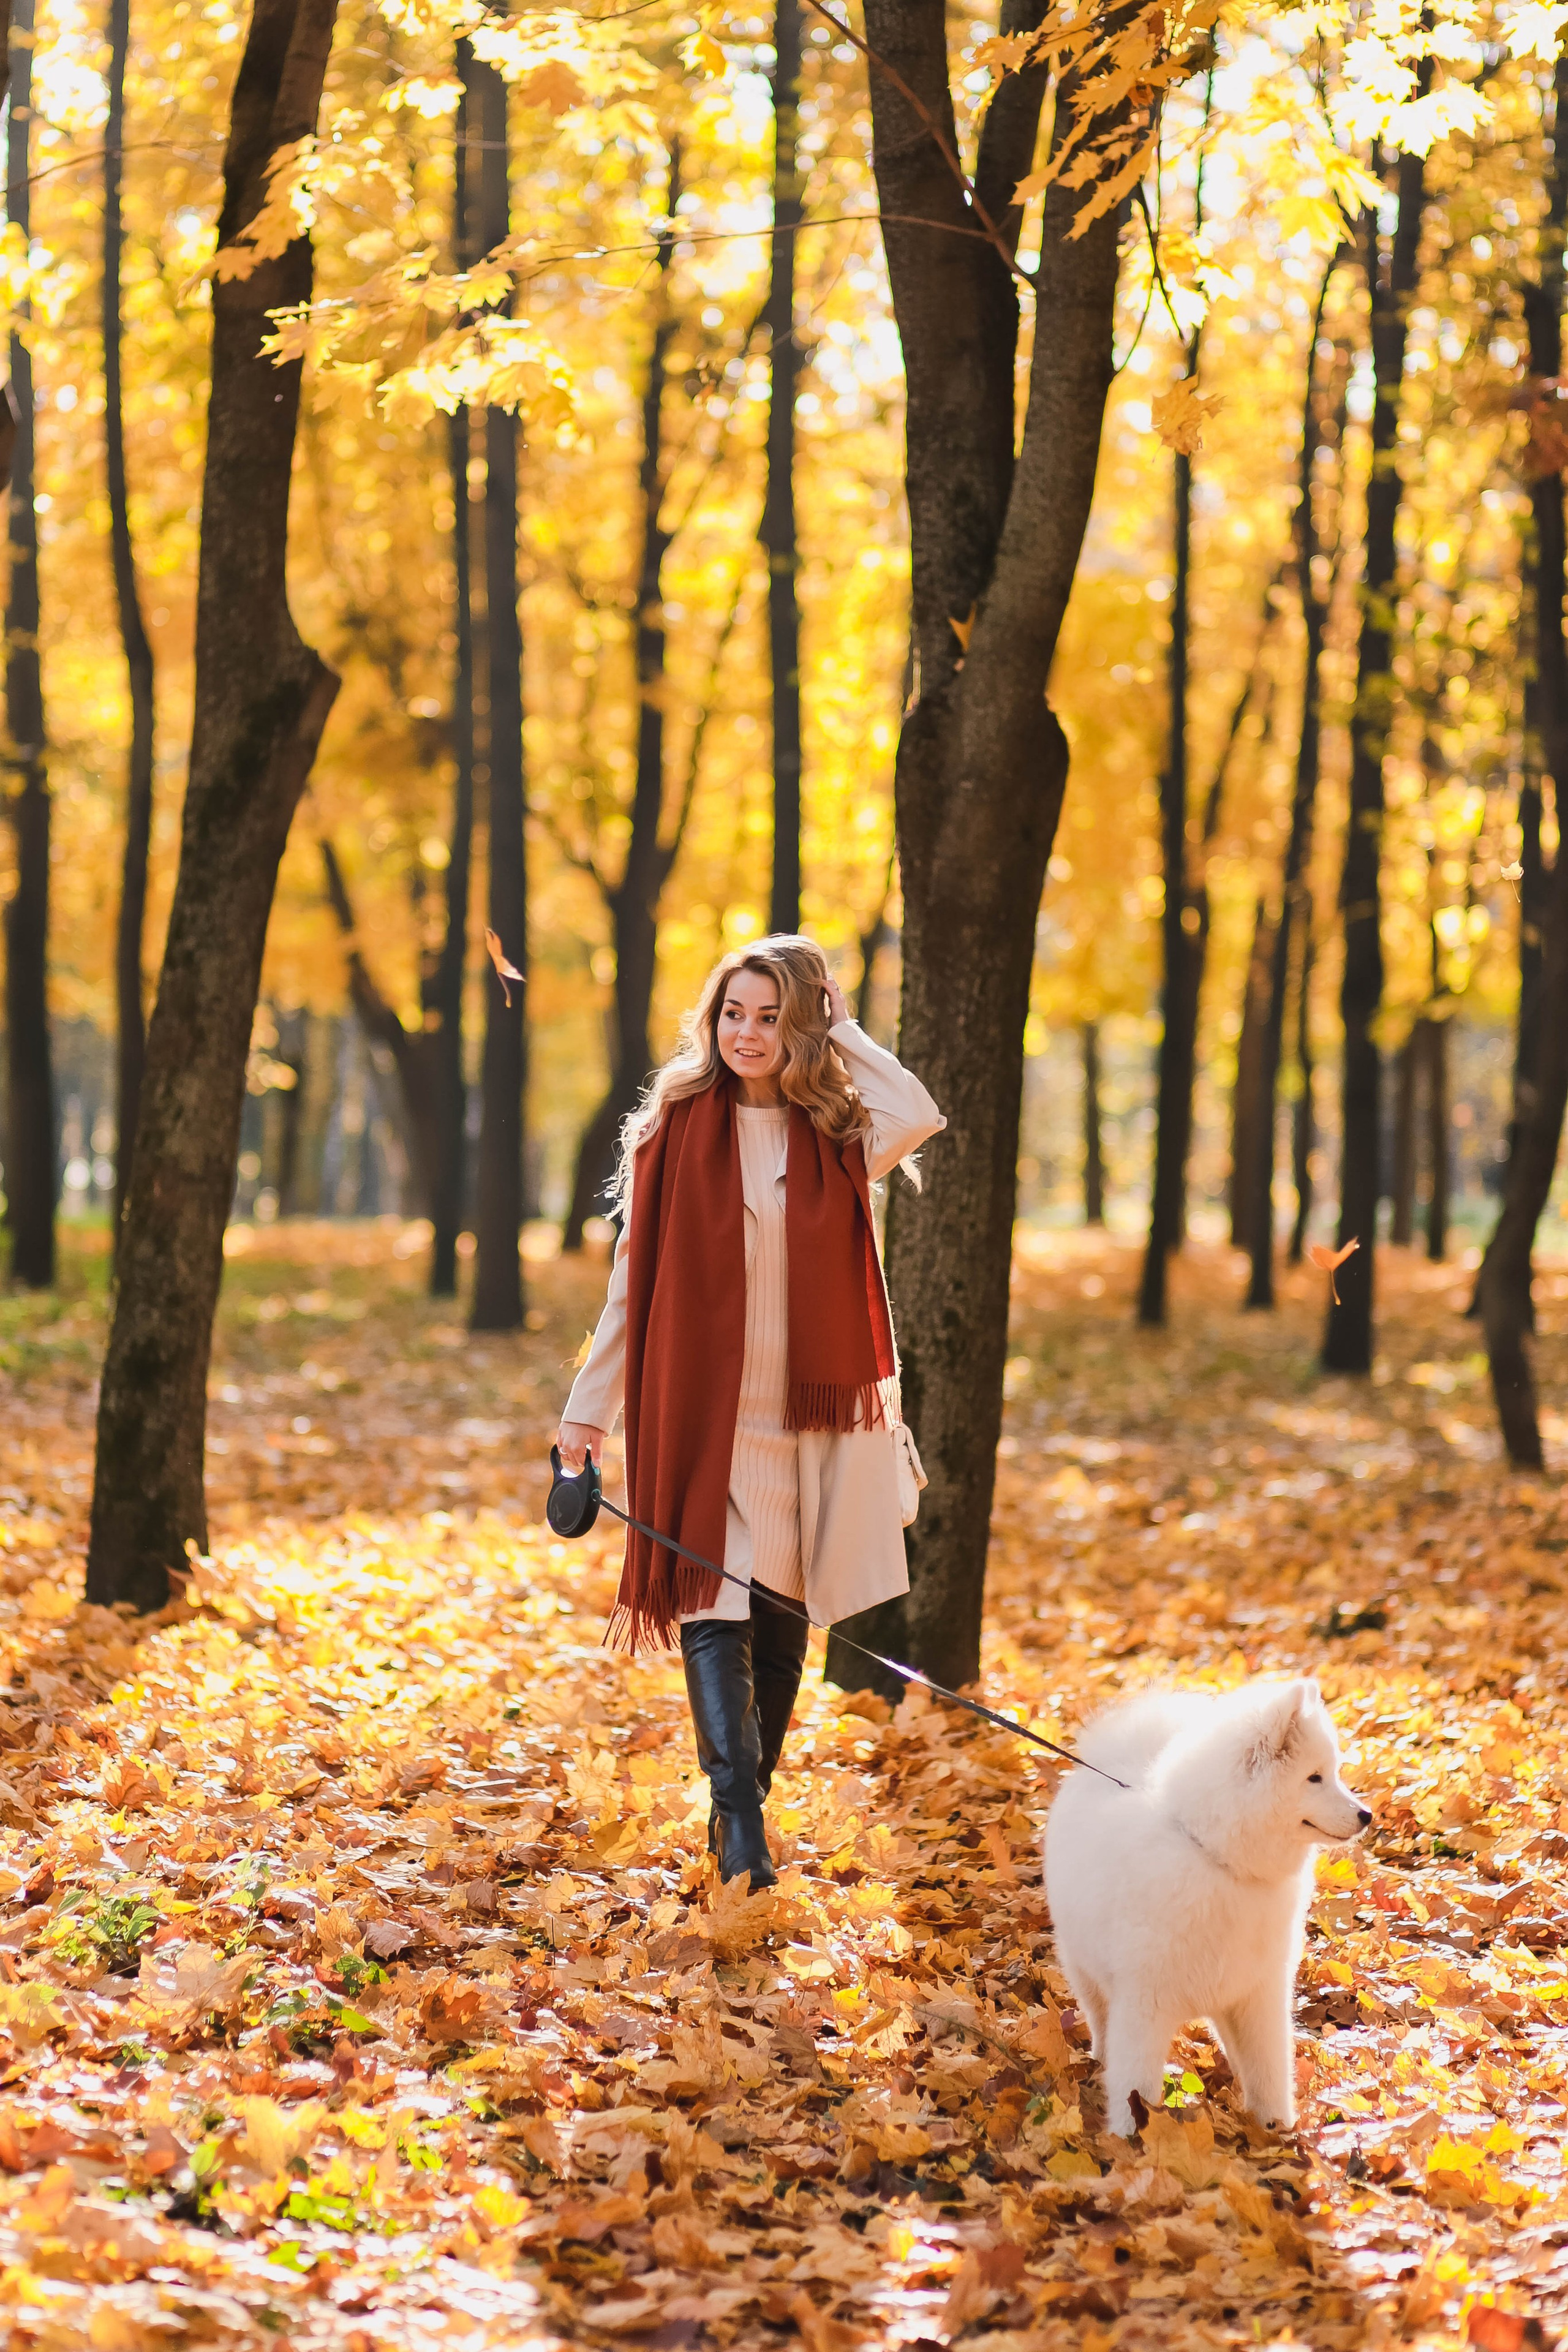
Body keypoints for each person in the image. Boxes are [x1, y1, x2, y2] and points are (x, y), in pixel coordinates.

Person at [557, 934, 944, 1891]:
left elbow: (919, 1111)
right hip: (701, 1420)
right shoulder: (672, 1131)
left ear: (800, 1023)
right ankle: (740, 1827)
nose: (748, 1033)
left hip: (806, 1425)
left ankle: (746, 1815)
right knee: (712, 1607)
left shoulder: (837, 1134)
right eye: (734, 1013)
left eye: (771, 1016)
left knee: (780, 1629)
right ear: (712, 1019)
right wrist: (586, 1414)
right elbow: (628, 1287)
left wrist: (842, 1023)